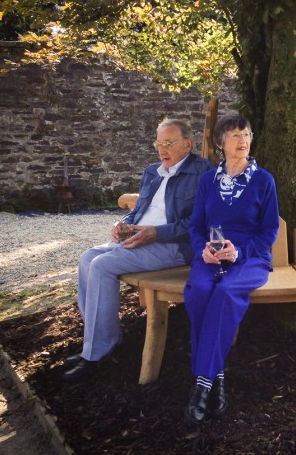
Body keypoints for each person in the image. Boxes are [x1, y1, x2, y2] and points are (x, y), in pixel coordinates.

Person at [62, 118, 213, 383]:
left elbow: (200, 222)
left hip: (175, 247)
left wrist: (156, 233)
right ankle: (101, 339)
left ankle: (96, 353)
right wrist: (124, 224)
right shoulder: (152, 172)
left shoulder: (203, 173)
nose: (162, 149)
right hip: (139, 239)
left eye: (169, 143)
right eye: (159, 143)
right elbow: (140, 210)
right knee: (88, 257)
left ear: (188, 144)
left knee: (102, 265)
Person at [183, 114, 280, 425]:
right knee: (198, 291)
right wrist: (202, 249)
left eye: (247, 134)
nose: (243, 141)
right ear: (220, 143)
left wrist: (241, 251)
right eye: (235, 135)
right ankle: (218, 373)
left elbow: (270, 230)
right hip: (210, 257)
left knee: (224, 293)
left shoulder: (263, 180)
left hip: (251, 259)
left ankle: (202, 386)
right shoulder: (207, 181)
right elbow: (196, 225)